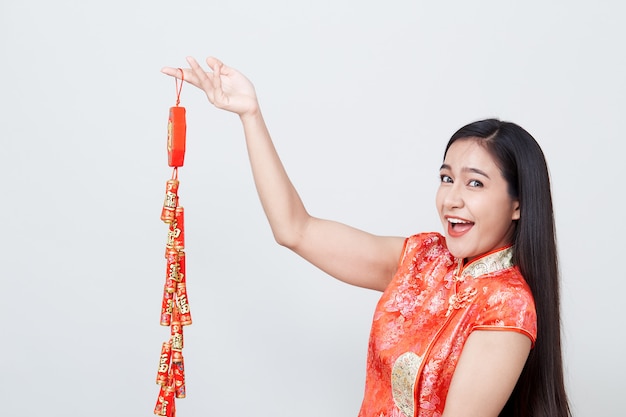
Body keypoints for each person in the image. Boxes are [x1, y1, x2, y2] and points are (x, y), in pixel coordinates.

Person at [161, 56, 571, 417]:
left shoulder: (507, 307)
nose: (452, 199)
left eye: (475, 184)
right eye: (446, 178)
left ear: (518, 204)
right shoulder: (423, 257)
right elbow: (295, 229)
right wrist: (250, 115)